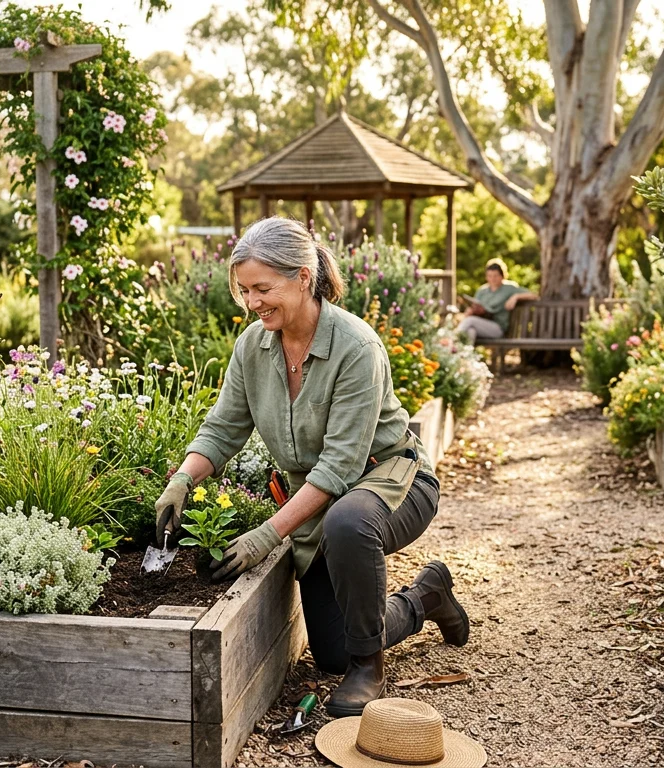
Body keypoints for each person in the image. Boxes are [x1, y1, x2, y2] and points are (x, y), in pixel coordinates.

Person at [152, 217, 470, 718]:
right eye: (244, 291)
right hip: (320, 498)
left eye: (263, 288)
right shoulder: (253, 348)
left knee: (349, 522)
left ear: (303, 277)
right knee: (330, 651)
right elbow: (222, 429)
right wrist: (182, 479)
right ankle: (426, 596)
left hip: (392, 482)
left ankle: (370, 667)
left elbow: (341, 468)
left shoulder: (356, 347)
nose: (253, 303)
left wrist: (266, 535)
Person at [458, 258, 536, 344]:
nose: (492, 279)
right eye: (490, 276)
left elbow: (534, 295)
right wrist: (470, 311)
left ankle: (451, 340)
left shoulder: (509, 288)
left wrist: (515, 296)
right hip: (481, 323)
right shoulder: (482, 291)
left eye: (495, 276)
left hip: (498, 327)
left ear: (502, 276)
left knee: (470, 321)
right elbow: (474, 306)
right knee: (470, 331)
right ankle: (465, 356)